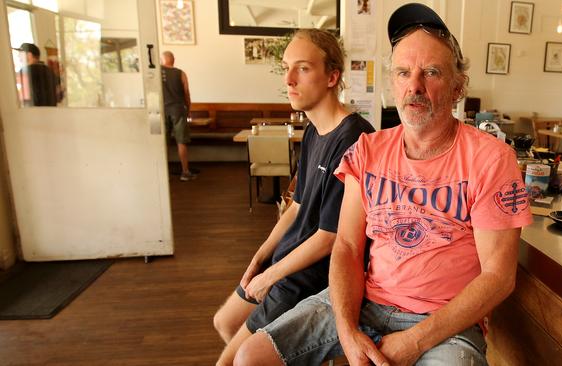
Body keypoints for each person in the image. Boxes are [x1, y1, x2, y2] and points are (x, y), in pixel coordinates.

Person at [234, 4, 533, 366]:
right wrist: (346, 331)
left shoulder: (491, 159)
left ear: (458, 87)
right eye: (404, 73)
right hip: (365, 304)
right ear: (393, 83)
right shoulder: (368, 150)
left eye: (432, 72)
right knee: (250, 357)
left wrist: (413, 341)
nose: (415, 86)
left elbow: (499, 277)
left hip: (444, 324)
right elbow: (345, 245)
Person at [212, 29, 375, 366]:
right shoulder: (314, 129)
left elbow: (330, 237)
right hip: (286, 261)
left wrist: (269, 277)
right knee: (224, 321)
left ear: (332, 76)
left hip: (311, 276)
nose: (288, 79)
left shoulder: (355, 139)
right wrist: (259, 258)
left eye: (302, 68)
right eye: (286, 67)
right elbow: (297, 206)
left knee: (229, 362)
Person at [161, 51, 195, 181]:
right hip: (178, 110)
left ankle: (163, 173)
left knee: (163, 143)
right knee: (181, 141)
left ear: (162, 60)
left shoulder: (156, 73)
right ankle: (185, 172)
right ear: (173, 59)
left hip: (161, 110)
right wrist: (189, 109)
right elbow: (186, 92)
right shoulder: (180, 73)